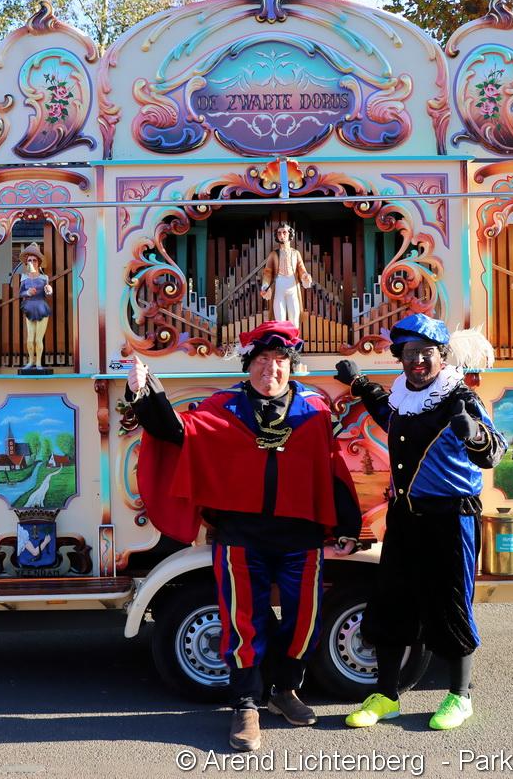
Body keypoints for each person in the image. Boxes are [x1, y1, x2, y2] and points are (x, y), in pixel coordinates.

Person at [126, 320, 361, 752]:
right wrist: (144, 392)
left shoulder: (314, 408)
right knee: (242, 623)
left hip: (301, 535)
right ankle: (246, 705)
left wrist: (347, 525)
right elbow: (177, 433)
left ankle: (284, 690)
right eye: (262, 359)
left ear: (291, 365)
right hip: (241, 535)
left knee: (305, 621)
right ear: (248, 364)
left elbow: (330, 467)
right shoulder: (225, 406)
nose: (271, 368)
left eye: (279, 360)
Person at [334, 314, 506, 731]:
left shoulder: (459, 397)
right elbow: (386, 412)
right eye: (410, 353)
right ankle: (386, 695)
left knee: (451, 604)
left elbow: (493, 453)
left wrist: (474, 434)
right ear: (401, 358)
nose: (418, 361)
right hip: (406, 518)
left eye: (426, 353)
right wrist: (359, 383)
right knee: (391, 603)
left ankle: (460, 697)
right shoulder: (402, 397)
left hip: (451, 518)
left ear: (442, 356)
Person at [260, 212, 312, 327]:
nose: (281, 235)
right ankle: (281, 339)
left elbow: (301, 269)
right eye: (279, 233)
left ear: (290, 234)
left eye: (284, 232)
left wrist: (305, 276)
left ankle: (294, 339)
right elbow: (267, 272)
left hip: (292, 285)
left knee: (295, 318)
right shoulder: (273, 254)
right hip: (279, 286)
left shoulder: (296, 253)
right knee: (280, 319)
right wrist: (265, 285)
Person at [18, 243, 53, 370]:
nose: (32, 262)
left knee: (38, 339)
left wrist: (49, 290)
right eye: (29, 260)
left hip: (41, 307)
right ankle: (30, 361)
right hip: (29, 308)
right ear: (26, 263)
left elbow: (47, 292)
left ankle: (38, 363)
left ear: (38, 262)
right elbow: (20, 293)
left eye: (34, 260)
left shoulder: (44, 277)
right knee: (29, 339)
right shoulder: (24, 278)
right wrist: (27, 292)